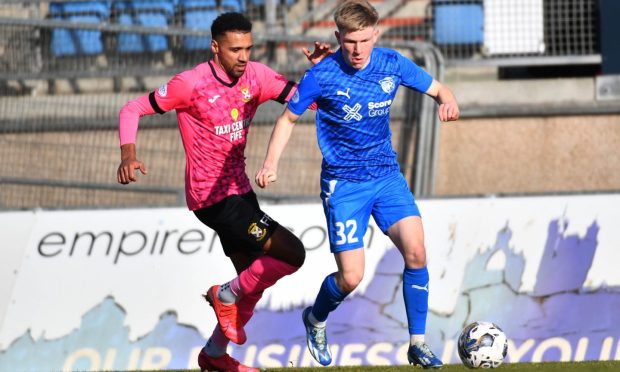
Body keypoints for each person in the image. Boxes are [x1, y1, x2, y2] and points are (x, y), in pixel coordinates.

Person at [116, 12, 329, 372]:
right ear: (215, 47)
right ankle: (223, 294)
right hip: (211, 197)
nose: (243, 57)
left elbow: (307, 102)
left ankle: (214, 356)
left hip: (240, 192)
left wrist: (322, 74)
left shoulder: (257, 76)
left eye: (248, 48)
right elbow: (131, 108)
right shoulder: (190, 84)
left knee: (254, 280)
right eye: (235, 50)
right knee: (292, 253)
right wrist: (129, 154)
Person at [255, 0, 460, 369]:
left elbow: (440, 89)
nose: (358, 49)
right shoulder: (321, 75)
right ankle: (315, 319)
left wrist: (448, 101)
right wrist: (270, 163)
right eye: (350, 42)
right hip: (344, 186)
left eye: (364, 40)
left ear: (376, 35)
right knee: (351, 277)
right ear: (338, 37)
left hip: (386, 178)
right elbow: (287, 119)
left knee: (416, 251)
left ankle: (418, 343)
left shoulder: (391, 64)